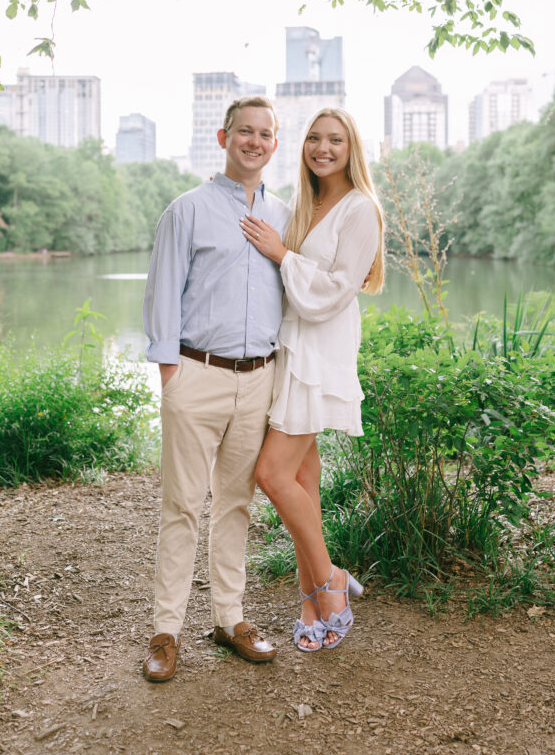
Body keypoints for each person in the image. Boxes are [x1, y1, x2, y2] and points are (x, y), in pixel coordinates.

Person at [141, 96, 289, 682]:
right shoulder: (188, 210)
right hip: (195, 373)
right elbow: (161, 295)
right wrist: (170, 375)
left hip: (260, 379)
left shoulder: (285, 213)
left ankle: (230, 620)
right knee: (181, 504)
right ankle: (165, 631)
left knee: (237, 504)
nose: (254, 141)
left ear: (275, 145)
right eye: (244, 131)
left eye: (265, 134)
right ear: (224, 137)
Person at [240, 107, 384, 652]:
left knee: (271, 474)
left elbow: (336, 290)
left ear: (352, 149)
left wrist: (280, 254)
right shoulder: (306, 202)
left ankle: (330, 581)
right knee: (302, 480)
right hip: (290, 346)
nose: (323, 148)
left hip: (321, 351)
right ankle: (309, 600)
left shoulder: (360, 209)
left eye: (335, 140)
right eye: (314, 139)